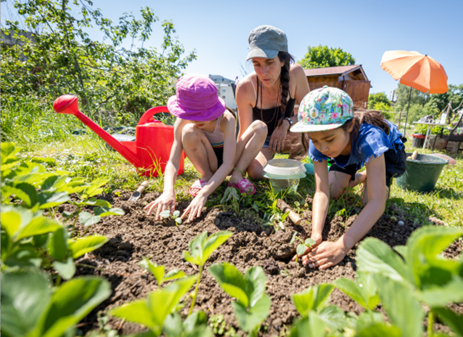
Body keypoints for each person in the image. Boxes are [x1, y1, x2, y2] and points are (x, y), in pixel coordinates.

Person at [290, 86, 407, 269]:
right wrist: (316, 234)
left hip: (386, 151)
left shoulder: (371, 138)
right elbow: (322, 191)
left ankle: (376, 176)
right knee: (334, 189)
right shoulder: (320, 143)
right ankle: (364, 175)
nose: (323, 148)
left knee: (369, 200)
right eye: (314, 140)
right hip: (347, 149)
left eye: (329, 139)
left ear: (350, 125)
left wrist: (342, 244)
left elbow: (377, 203)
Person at [144, 74, 267, 223]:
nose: (196, 120)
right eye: (192, 114)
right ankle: (206, 176)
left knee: (260, 126)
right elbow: (173, 160)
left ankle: (237, 177)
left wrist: (203, 194)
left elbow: (228, 162)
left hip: (230, 159)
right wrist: (168, 190)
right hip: (209, 160)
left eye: (202, 114)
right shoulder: (183, 120)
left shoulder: (226, 119)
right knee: (189, 131)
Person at [235, 25, 310, 178]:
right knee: (255, 171)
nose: (263, 72)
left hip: (291, 136)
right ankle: (289, 170)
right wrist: (234, 165)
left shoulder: (295, 74)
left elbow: (311, 113)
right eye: (257, 64)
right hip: (262, 142)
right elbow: (245, 134)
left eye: (270, 62)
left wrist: (286, 123)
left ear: (283, 61)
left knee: (307, 130)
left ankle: (296, 165)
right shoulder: (245, 88)